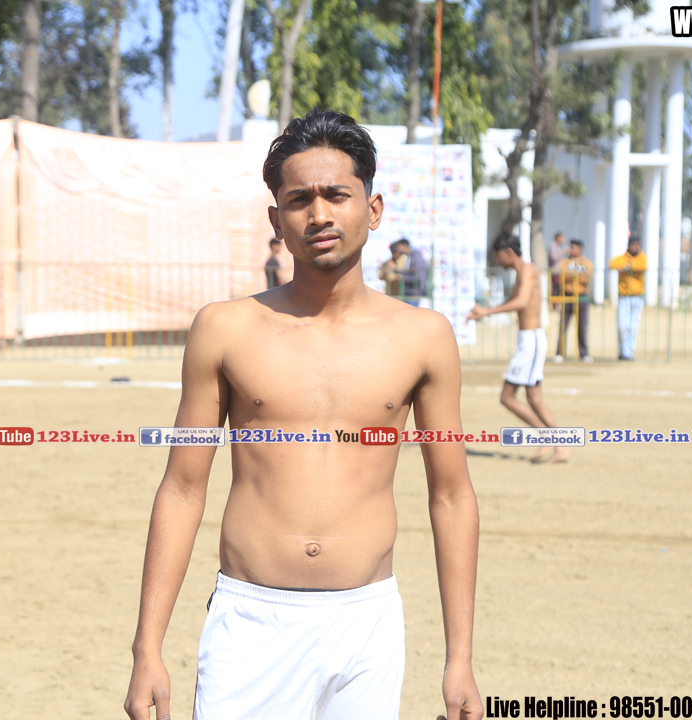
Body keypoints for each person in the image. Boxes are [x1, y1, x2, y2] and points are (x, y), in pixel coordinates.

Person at [123, 110, 482, 720]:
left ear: (372, 209)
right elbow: (182, 488)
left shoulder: (423, 336)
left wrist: (461, 659)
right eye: (299, 200)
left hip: (366, 622)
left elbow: (451, 495)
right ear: (276, 220)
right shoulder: (225, 329)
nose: (319, 214)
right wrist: (146, 648)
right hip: (251, 622)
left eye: (337, 195)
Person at [467, 233, 569, 464]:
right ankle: (560, 447)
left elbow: (521, 302)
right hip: (529, 339)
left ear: (509, 253)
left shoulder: (529, 270)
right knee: (534, 397)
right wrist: (484, 312)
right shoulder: (520, 273)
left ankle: (548, 438)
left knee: (507, 397)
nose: (497, 261)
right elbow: (513, 301)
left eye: (498, 256)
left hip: (531, 341)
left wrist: (487, 312)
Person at [554, 239, 593, 363]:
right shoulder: (565, 262)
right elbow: (562, 275)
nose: (570, 250)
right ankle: (560, 353)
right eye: (570, 247)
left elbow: (586, 277)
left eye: (573, 248)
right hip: (567, 296)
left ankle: (584, 354)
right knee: (563, 326)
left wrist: (572, 275)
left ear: (579, 249)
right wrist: (576, 274)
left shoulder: (587, 262)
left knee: (582, 327)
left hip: (581, 297)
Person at [609, 236, 647, 360]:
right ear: (629, 246)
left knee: (633, 327)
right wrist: (629, 264)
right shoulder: (623, 257)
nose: (636, 247)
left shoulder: (642, 257)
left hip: (637, 297)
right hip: (624, 297)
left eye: (638, 245)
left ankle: (629, 353)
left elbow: (642, 266)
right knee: (623, 326)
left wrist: (627, 267)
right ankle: (623, 350)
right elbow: (613, 264)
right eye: (633, 245)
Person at [397, 238, 429, 306]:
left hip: (414, 293)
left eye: (399, 246)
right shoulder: (409, 257)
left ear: (405, 246)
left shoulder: (416, 256)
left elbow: (419, 276)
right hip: (409, 293)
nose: (398, 249)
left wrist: (403, 278)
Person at [547, 231, 567, 310]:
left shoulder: (558, 246)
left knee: (558, 288)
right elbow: (554, 257)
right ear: (557, 238)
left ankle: (556, 305)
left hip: (559, 271)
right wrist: (563, 252)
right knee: (556, 288)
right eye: (562, 238)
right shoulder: (553, 245)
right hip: (555, 271)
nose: (563, 240)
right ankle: (554, 305)